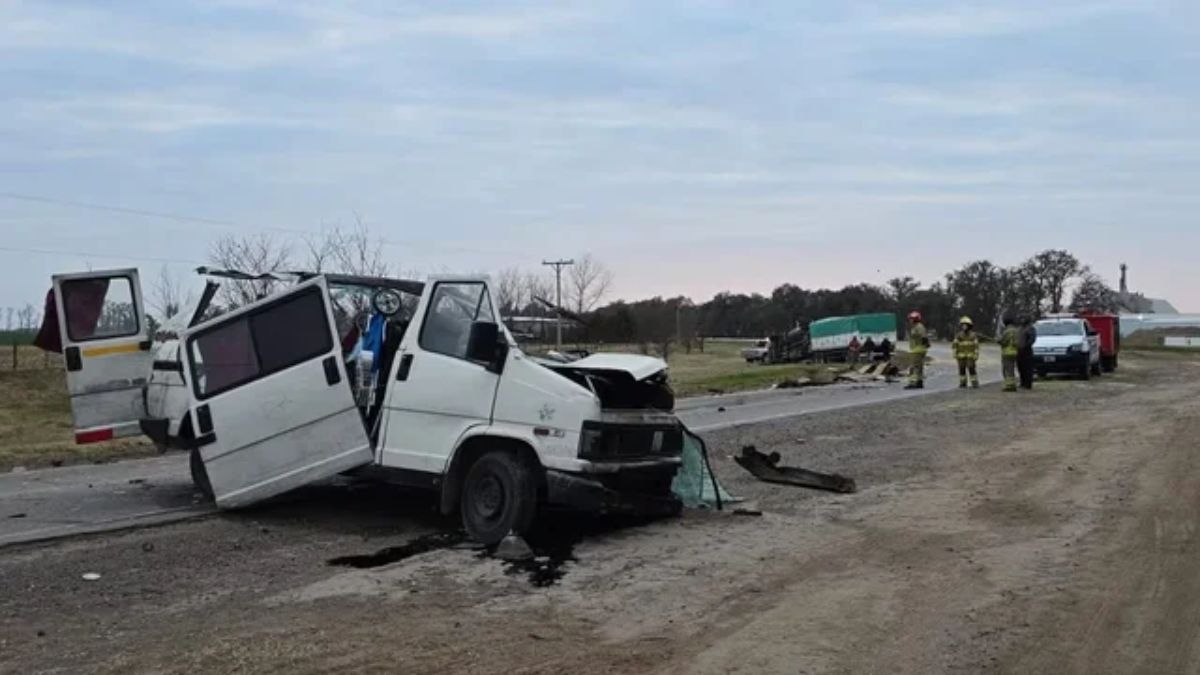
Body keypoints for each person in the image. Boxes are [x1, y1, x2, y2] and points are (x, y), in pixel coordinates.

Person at [952, 316, 980, 389]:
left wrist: (976, 354)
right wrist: (955, 353)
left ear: (969, 326)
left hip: (970, 355)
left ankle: (974, 382)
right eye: (963, 325)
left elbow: (976, 346)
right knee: (962, 369)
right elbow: (955, 345)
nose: (964, 326)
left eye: (965, 325)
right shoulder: (958, 335)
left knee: (971, 368)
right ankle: (963, 383)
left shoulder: (973, 335)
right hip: (961, 355)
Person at [905, 311, 930, 390]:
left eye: (911, 319)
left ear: (915, 319)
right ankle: (919, 382)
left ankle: (913, 382)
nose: (910, 320)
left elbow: (924, 337)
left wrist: (925, 344)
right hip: (917, 349)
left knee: (914, 367)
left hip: (917, 349)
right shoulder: (915, 327)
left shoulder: (919, 327)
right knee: (919, 367)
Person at [999, 315, 1019, 392]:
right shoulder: (1016, 330)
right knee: (1011, 369)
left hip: (1007, 352)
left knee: (1007, 370)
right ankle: (1012, 384)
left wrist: (998, 340)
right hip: (1014, 352)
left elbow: (1003, 342)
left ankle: (1010, 386)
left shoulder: (1007, 331)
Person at [1017, 315, 1038, 390]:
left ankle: (1028, 384)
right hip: (1018, 350)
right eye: (1021, 319)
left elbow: (1032, 339)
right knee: (1020, 367)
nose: (1022, 320)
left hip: (1027, 350)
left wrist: (1026, 345)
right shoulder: (1019, 328)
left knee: (1027, 368)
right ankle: (1022, 382)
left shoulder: (1030, 328)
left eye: (1023, 319)